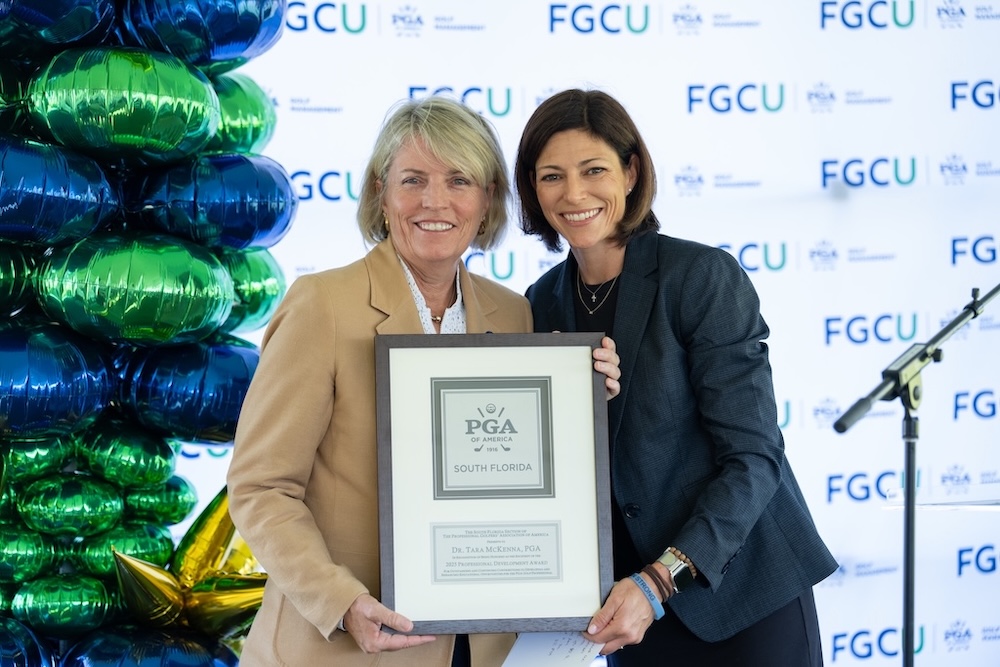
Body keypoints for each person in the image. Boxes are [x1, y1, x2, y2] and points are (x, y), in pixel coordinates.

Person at [226, 96, 621, 666]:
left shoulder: (514, 313)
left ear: (486, 201)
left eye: (459, 181)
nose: (435, 201)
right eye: (413, 180)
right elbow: (262, 488)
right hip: (341, 648)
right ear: (381, 194)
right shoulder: (322, 305)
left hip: (479, 649)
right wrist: (340, 602)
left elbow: (519, 474)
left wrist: (581, 401)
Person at [514, 89, 838, 666]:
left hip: (737, 594)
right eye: (551, 176)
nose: (574, 193)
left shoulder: (700, 277)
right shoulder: (541, 303)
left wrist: (660, 581)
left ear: (631, 172)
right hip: (628, 610)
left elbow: (754, 458)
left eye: (593, 170)